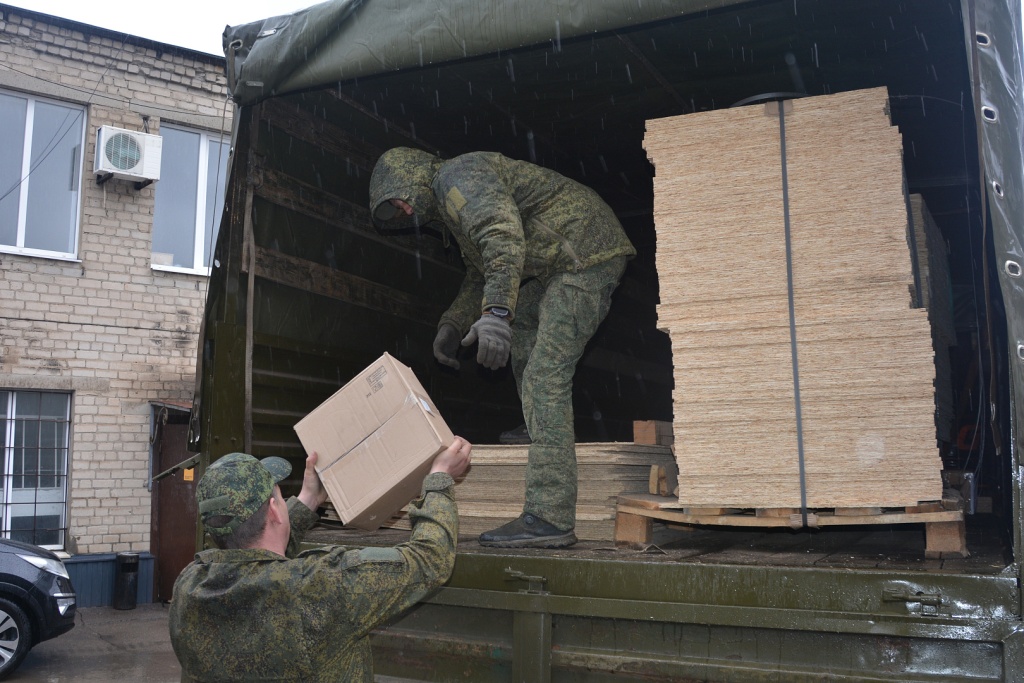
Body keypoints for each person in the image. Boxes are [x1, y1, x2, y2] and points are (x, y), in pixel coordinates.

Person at [369, 148, 635, 549]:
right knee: (524, 319)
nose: (404, 211)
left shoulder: (456, 177)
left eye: (399, 199)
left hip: (585, 253)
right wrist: (453, 322)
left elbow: (501, 236)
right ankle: (537, 420)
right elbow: (480, 271)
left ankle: (549, 517)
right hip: (560, 263)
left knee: (547, 374)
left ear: (410, 177)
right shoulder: (453, 205)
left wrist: (495, 312)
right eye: (394, 211)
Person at [167, 436, 472, 682]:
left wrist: (308, 500)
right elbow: (431, 558)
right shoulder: (320, 586)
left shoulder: (187, 590)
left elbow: (257, 558)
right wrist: (439, 479)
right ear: (274, 510)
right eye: (279, 495)